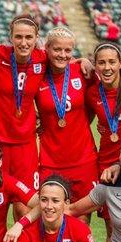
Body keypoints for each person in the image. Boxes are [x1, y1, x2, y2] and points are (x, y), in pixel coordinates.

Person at [0, 15, 47, 213]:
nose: (24, 42)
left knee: (23, 206)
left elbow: (66, 60)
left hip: (25, 145)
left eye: (29, 37)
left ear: (36, 38)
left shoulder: (43, 59)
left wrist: (84, 60)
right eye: (18, 37)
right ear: (10, 37)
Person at [35, 27, 98, 223]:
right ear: (47, 48)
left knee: (81, 222)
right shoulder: (37, 74)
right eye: (57, 50)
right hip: (50, 160)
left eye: (68, 51)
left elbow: (94, 104)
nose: (62, 55)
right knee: (49, 222)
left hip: (83, 159)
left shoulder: (82, 71)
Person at [86, 42, 121, 238]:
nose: (107, 67)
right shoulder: (92, 92)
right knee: (113, 228)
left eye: (112, 62)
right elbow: (82, 121)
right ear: (95, 66)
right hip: (106, 165)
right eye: (102, 63)